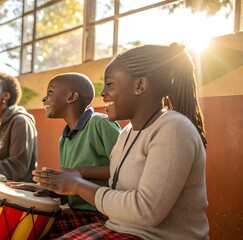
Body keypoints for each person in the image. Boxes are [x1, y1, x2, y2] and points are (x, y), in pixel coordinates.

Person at [32, 43, 209, 239]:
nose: (102, 93)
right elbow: (116, 188)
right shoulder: (126, 133)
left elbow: (146, 211)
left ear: (140, 85)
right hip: (119, 226)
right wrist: (60, 187)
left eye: (109, 84)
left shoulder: (174, 128)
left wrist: (77, 185)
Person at [9, 72, 121, 239]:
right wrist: (50, 189)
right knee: (24, 228)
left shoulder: (101, 124)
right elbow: (72, 189)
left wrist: (80, 172)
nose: (44, 99)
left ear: (71, 97)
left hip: (102, 214)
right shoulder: (64, 138)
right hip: (76, 210)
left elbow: (123, 170)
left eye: (50, 92)